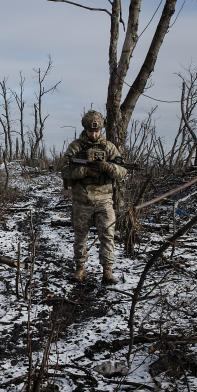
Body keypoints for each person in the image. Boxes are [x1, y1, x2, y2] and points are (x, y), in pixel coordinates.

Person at [61, 110, 127, 284]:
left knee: (107, 235)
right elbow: (65, 171)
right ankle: (80, 269)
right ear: (85, 129)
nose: (94, 134)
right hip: (82, 200)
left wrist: (107, 167)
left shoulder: (109, 147)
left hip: (104, 199)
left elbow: (122, 171)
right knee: (80, 236)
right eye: (91, 131)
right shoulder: (76, 147)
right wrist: (85, 171)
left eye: (97, 131)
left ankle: (107, 271)